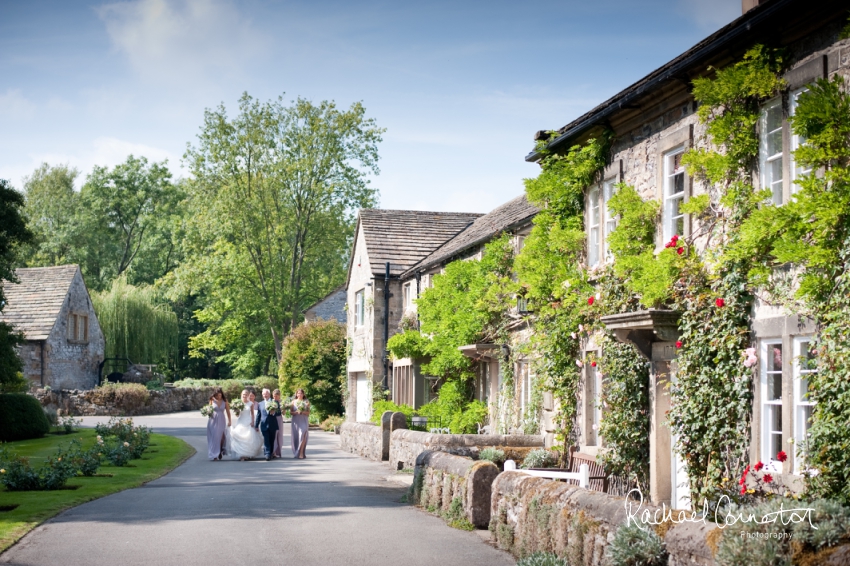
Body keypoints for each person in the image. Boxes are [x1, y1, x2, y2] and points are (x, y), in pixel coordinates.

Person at [225, 389, 263, 460]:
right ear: (241, 395)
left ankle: (247, 454)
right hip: (241, 421)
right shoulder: (238, 403)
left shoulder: (250, 404)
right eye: (243, 394)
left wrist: (252, 422)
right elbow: (237, 415)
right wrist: (237, 411)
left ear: (248, 395)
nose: (244, 396)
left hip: (248, 421)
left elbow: (252, 414)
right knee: (240, 437)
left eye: (246, 394)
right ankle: (241, 454)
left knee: (249, 438)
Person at [254, 388, 280, 461]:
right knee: (266, 439)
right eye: (264, 394)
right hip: (264, 424)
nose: (265, 395)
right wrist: (256, 425)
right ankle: (267, 454)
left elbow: (279, 413)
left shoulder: (274, 402)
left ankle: (271, 453)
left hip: (272, 424)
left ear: (269, 394)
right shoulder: (260, 404)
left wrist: (273, 412)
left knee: (272, 439)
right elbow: (258, 415)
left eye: (266, 394)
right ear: (262, 395)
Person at [206, 388, 231, 461]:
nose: (218, 396)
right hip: (213, 420)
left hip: (221, 419)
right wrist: (207, 412)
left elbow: (228, 412)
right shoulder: (212, 400)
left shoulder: (225, 401)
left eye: (220, 395)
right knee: (215, 437)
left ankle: (220, 450)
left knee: (221, 437)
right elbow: (209, 410)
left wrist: (230, 421)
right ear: (215, 394)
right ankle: (214, 455)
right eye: (217, 395)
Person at [290, 388, 310, 459]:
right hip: (296, 421)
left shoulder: (306, 402)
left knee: (303, 434)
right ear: (296, 394)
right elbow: (291, 412)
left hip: (304, 420)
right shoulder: (293, 402)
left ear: (303, 394)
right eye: (298, 393)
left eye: (301, 393)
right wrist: (296, 412)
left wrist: (302, 412)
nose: (300, 395)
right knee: (297, 437)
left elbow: (308, 413)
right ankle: (297, 451)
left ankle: (301, 452)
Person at [272, 389, 285, 458]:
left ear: (279, 396)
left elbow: (284, 413)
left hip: (279, 418)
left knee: (279, 435)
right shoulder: (271, 402)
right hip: (273, 418)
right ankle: (273, 451)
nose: (275, 397)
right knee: (274, 435)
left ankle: (278, 451)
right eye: (274, 396)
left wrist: (283, 409)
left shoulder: (281, 402)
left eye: (277, 396)